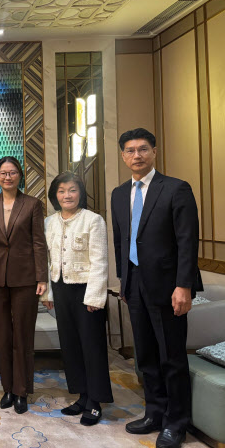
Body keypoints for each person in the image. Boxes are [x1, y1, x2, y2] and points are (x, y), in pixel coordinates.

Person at [111, 128, 201, 448]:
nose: (137, 155)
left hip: (168, 287)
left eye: (143, 149)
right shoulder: (119, 193)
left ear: (154, 152)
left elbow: (187, 241)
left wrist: (183, 285)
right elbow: (121, 241)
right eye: (130, 150)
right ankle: (155, 413)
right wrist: (123, 281)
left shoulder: (176, 188)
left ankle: (177, 422)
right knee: (146, 356)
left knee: (171, 358)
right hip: (134, 285)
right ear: (123, 156)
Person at [40, 171, 112, 426]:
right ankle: (82, 396)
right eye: (61, 191)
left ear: (80, 193)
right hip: (61, 289)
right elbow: (47, 261)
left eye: (72, 190)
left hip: (86, 291)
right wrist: (48, 293)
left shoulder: (93, 220)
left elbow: (100, 261)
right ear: (55, 195)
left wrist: (95, 296)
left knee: (92, 347)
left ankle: (95, 402)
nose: (67, 195)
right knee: (70, 346)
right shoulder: (49, 222)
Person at [0, 156, 47, 415]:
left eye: (12, 173)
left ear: (20, 175)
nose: (7, 177)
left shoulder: (32, 204)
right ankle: (7, 388)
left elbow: (39, 242)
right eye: (3, 173)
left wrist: (42, 277)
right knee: (1, 335)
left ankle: (21, 390)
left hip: (25, 278)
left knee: (23, 335)